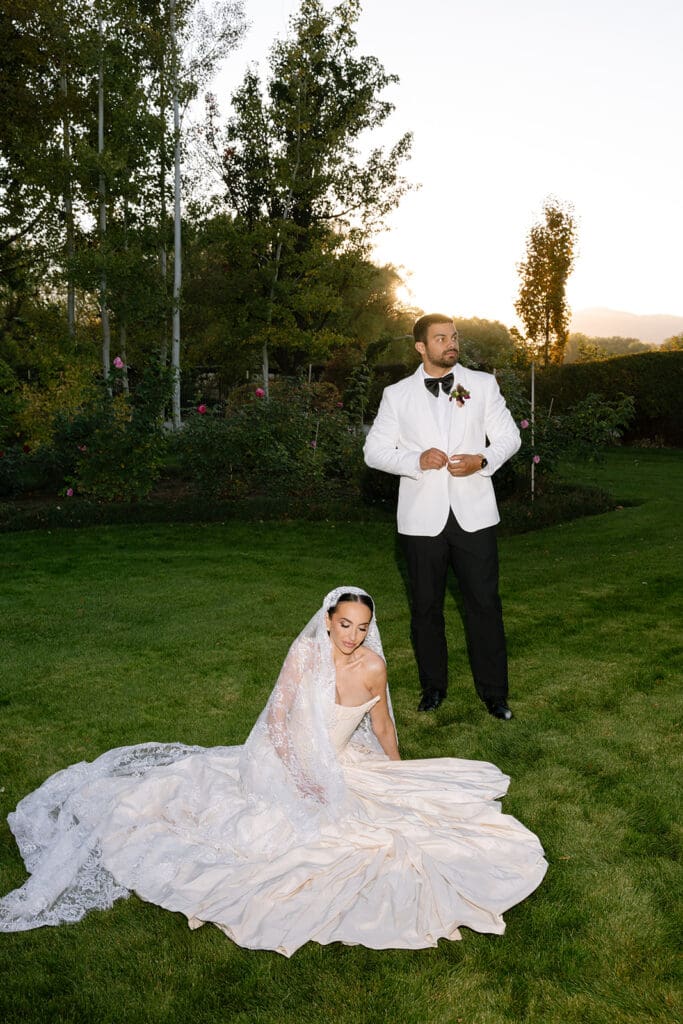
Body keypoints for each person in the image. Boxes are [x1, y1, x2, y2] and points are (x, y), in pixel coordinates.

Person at [0, 587, 546, 955]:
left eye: (362, 627)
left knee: (386, 826)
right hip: (284, 758)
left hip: (342, 762)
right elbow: (279, 722)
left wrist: (397, 772)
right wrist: (301, 772)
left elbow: (381, 726)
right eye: (345, 624)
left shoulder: (375, 665)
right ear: (328, 620)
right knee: (281, 826)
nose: (352, 635)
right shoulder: (306, 655)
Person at [364, 314, 521, 719]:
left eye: (453, 337)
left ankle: (495, 694)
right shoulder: (396, 395)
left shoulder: (482, 385)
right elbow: (374, 451)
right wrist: (414, 459)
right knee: (425, 608)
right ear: (420, 347)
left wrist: (482, 458)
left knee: (484, 605)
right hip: (421, 520)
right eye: (441, 338)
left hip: (475, 516)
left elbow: (509, 437)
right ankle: (433, 688)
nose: (451, 344)